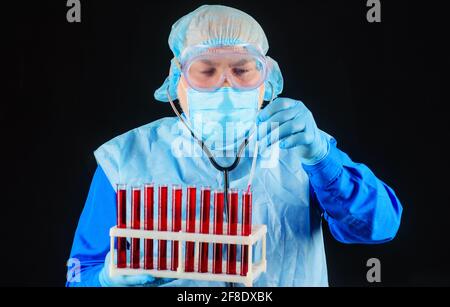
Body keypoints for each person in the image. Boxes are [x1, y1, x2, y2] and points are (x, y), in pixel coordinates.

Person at [66, 5, 402, 287]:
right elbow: (78, 274)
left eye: (242, 70)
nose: (225, 85)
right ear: (177, 80)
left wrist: (321, 158)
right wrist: (108, 278)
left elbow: (379, 227)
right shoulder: (128, 158)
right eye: (206, 70)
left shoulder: (298, 144)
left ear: (266, 78)